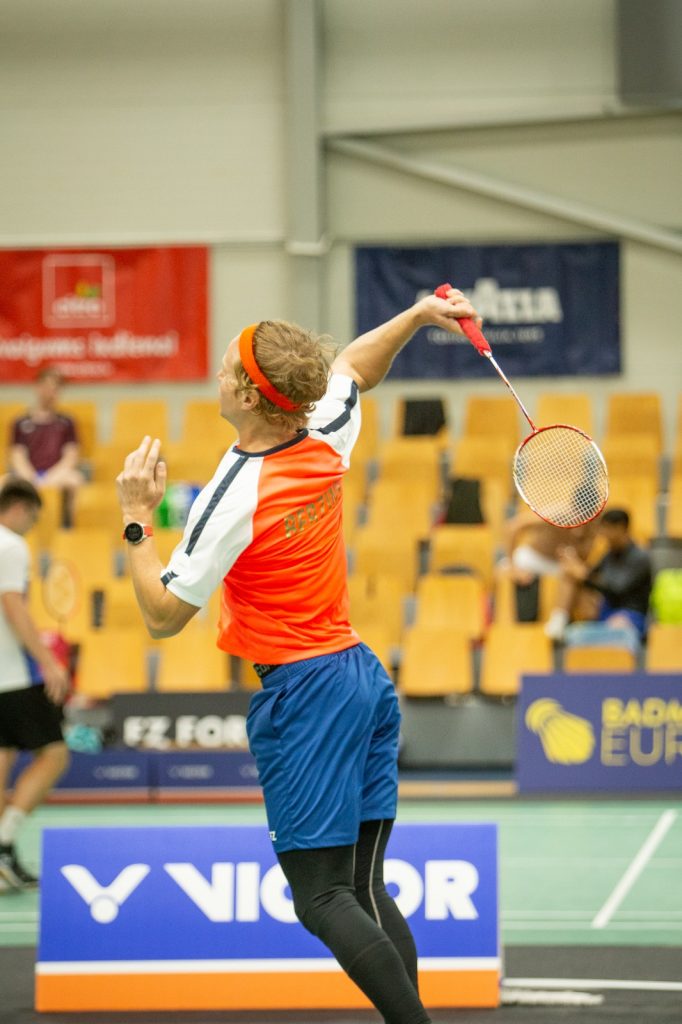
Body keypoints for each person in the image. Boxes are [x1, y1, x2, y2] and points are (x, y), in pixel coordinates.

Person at [116, 288, 480, 1024]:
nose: (218, 376)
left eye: (227, 369)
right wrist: (415, 316)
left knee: (321, 898)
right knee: (364, 887)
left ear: (251, 396)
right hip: (360, 677)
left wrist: (135, 520)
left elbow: (162, 617)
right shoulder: (326, 429)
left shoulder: (233, 493)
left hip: (306, 694)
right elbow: (355, 368)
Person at [0, 479, 70, 890]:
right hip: (11, 674)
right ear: (20, 508)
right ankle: (5, 840)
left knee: (3, 756)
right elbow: (12, 604)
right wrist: (48, 661)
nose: (31, 525)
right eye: (33, 517)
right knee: (55, 753)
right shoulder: (10, 545)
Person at [545, 507, 652, 641]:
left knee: (617, 626)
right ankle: (559, 619)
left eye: (607, 529)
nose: (604, 534)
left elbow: (617, 588)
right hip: (606, 612)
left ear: (620, 528)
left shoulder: (640, 557)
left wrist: (582, 573)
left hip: (631, 614)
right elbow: (590, 576)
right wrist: (573, 562)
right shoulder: (609, 554)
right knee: (570, 575)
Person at [9, 366, 85, 524]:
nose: (50, 392)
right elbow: (17, 455)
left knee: (75, 480)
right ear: (37, 387)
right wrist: (31, 478)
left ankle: (68, 527)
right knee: (4, 482)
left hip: (57, 474)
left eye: (55, 388)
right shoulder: (21, 422)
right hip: (28, 474)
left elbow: (71, 456)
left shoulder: (67, 422)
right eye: (47, 387)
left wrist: (50, 478)